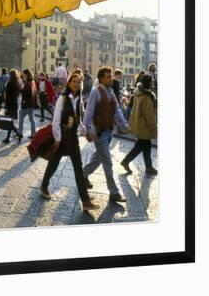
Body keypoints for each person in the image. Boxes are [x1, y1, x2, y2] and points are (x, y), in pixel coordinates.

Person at [39, 73, 99, 211]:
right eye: (74, 81)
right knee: (54, 163)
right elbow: (56, 121)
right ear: (69, 82)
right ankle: (44, 186)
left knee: (77, 168)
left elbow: (78, 121)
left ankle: (85, 200)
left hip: (72, 138)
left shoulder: (78, 99)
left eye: (79, 82)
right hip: (62, 137)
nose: (77, 84)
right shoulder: (63, 98)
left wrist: (85, 133)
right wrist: (58, 139)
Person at [83, 66, 130, 203]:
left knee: (97, 158)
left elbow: (117, 111)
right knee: (107, 162)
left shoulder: (111, 92)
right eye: (109, 76)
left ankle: (83, 175)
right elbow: (88, 114)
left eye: (111, 76)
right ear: (101, 78)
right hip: (99, 133)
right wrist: (89, 130)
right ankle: (114, 192)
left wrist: (124, 125)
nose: (112, 78)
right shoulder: (95, 93)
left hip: (109, 132)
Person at [121, 74, 158, 176]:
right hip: (144, 126)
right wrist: (154, 128)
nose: (153, 82)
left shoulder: (138, 92)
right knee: (142, 145)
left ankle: (148, 167)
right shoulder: (147, 96)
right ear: (149, 83)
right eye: (152, 81)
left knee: (145, 145)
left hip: (138, 123)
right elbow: (149, 115)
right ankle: (126, 161)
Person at [2, 69, 24, 144]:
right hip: (15, 104)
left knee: (10, 122)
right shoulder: (18, 83)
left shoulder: (9, 83)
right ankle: (8, 137)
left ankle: (18, 134)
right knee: (10, 122)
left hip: (10, 104)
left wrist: (6, 107)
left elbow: (7, 96)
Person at [18, 69, 37, 139]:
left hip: (26, 104)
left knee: (21, 119)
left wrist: (21, 88)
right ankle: (33, 134)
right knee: (32, 120)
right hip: (31, 104)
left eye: (24, 74)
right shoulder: (32, 82)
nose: (23, 76)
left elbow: (24, 92)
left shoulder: (28, 83)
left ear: (27, 75)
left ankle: (20, 133)